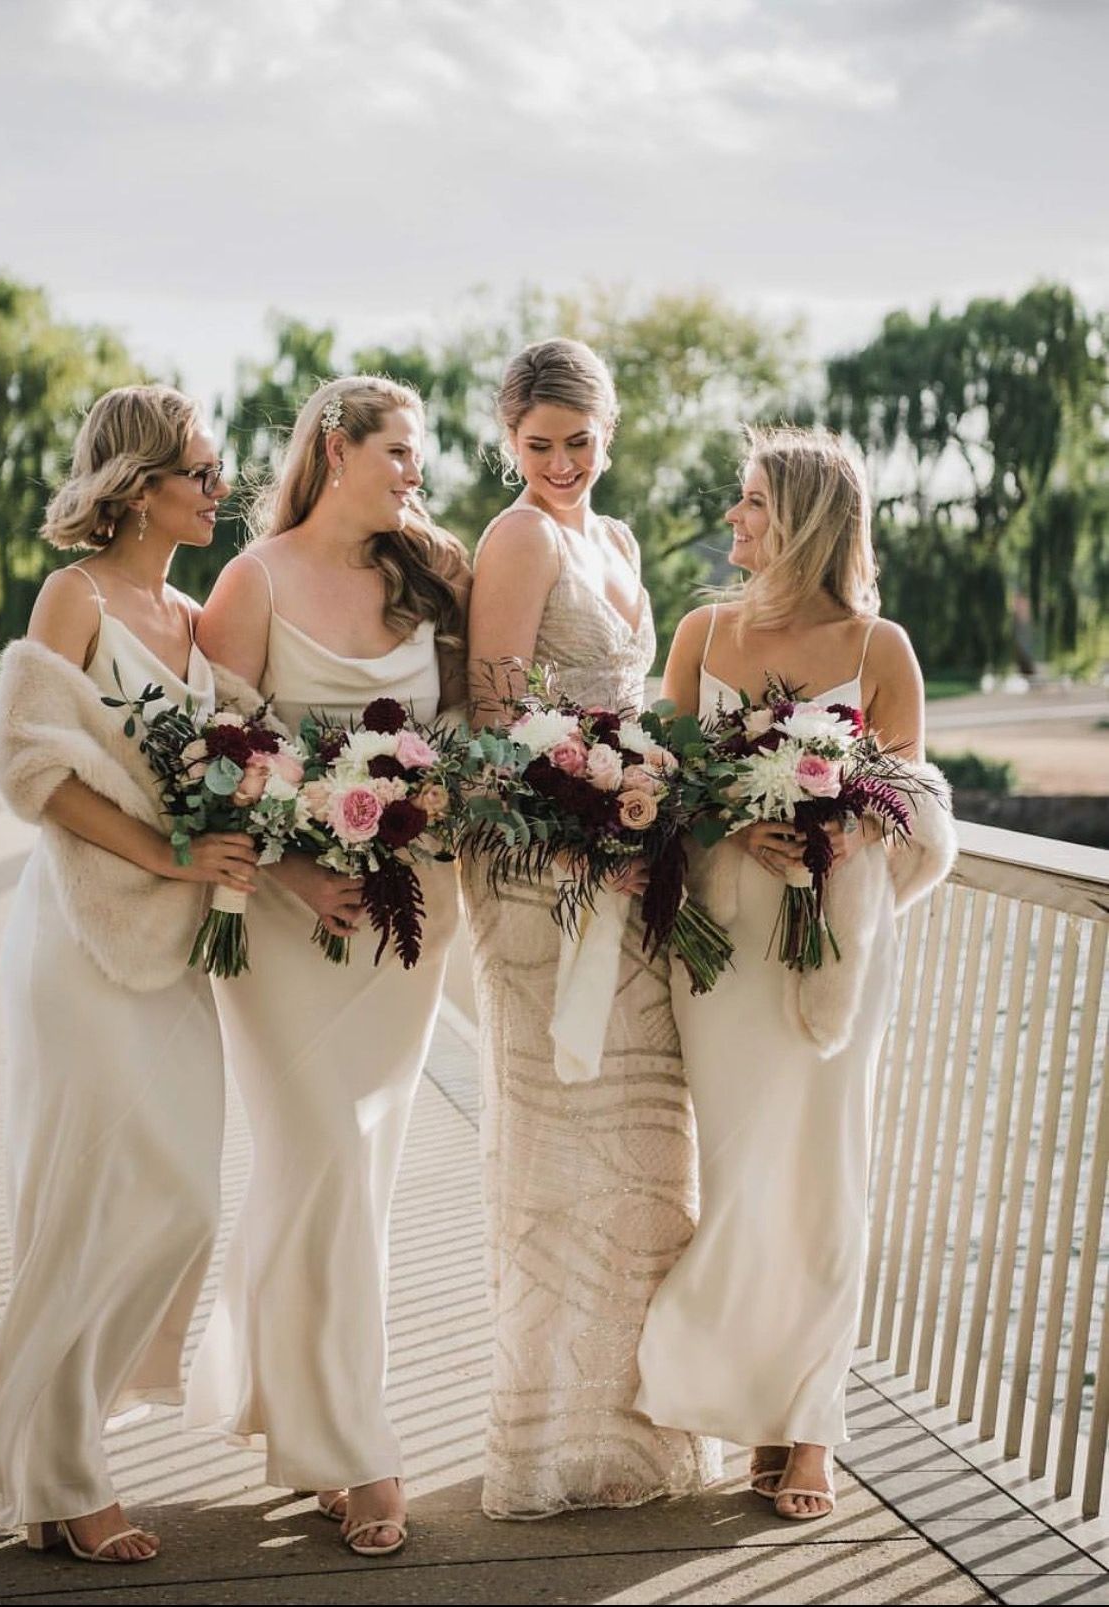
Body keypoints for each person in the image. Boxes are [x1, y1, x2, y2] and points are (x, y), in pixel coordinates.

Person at [0, 385, 257, 1563]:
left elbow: (243, 755)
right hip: (77, 935)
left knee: (186, 1202)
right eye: (201, 472)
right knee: (81, 1201)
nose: (219, 490)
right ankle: (65, 1476)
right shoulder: (77, 596)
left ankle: (54, 1443)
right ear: (141, 483)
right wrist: (167, 848)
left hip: (176, 947)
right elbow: (29, 765)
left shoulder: (197, 619)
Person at [635, 423, 954, 1519]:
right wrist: (734, 814)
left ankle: (808, 1423)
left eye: (754, 501)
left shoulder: (882, 648)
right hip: (721, 945)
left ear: (810, 518)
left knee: (827, 1169)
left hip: (839, 944)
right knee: (740, 1175)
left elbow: (916, 793)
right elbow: (659, 784)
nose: (735, 518)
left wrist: (849, 830)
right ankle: (744, 1399)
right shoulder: (701, 632)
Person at [186, 375, 470, 1559]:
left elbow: (467, 731)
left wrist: (434, 799)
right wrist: (297, 873)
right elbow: (210, 758)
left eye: (421, 454)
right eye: (400, 450)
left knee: (354, 1173)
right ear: (337, 447)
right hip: (290, 925)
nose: (415, 471)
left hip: (407, 919)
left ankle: (309, 1412)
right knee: (320, 1158)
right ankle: (356, 1445)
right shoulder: (250, 580)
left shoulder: (433, 574)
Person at [461, 337, 721, 1519]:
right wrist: (574, 829)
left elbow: (647, 708)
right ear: (510, 442)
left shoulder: (614, 543)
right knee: (560, 1149)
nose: (561, 464)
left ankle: (636, 1429)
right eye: (538, 445)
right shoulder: (515, 540)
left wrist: (650, 804)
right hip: (544, 875)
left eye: (578, 441)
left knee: (647, 1153)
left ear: (608, 434)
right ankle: (547, 1448)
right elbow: (496, 713)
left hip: (635, 867)